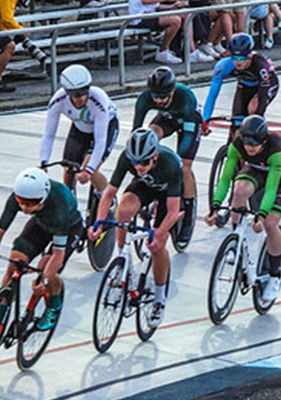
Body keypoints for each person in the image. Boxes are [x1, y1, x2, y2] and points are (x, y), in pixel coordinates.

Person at [90, 128, 185, 328]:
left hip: (168, 193)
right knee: (122, 212)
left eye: (144, 162)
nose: (139, 166)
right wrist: (98, 223)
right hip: (143, 186)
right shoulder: (128, 157)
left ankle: (159, 298)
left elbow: (173, 211)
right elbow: (108, 195)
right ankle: (122, 259)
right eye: (135, 162)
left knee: (158, 246)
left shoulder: (169, 164)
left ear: (155, 156)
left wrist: (159, 233)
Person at [0, 168, 83, 332]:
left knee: (46, 268)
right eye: (21, 201)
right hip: (41, 223)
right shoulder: (17, 197)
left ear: (42, 198)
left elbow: (57, 255)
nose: (24, 207)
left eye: (31, 203)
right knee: (14, 264)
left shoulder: (59, 207)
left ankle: (54, 304)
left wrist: (44, 279)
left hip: (69, 228)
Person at [207, 116, 281, 302]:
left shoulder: (276, 147)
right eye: (247, 144)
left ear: (263, 141)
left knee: (271, 224)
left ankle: (274, 276)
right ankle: (235, 241)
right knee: (239, 191)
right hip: (256, 168)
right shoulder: (237, 144)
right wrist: (215, 206)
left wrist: (262, 216)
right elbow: (225, 179)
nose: (249, 148)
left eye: (254, 146)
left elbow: (271, 189)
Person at [136, 66, 203, 243]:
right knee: (149, 136)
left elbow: (188, 136)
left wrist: (176, 162)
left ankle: (188, 212)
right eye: (155, 96)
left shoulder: (185, 97)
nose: (158, 100)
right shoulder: (145, 98)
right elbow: (136, 132)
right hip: (167, 119)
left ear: (172, 91)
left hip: (189, 122)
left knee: (184, 167)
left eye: (163, 97)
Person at [41, 64, 120, 197]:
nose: (82, 98)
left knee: (90, 168)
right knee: (69, 170)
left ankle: (107, 200)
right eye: (76, 95)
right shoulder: (58, 100)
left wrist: (88, 171)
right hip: (80, 128)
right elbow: (49, 135)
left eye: (85, 92)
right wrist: (44, 162)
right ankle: (71, 205)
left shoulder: (98, 98)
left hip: (106, 127)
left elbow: (100, 140)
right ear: (67, 92)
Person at [203, 34, 280, 134]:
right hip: (245, 85)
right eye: (234, 58)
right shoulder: (222, 66)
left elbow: (263, 95)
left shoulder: (261, 65)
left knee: (253, 110)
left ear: (250, 56)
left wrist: (257, 120)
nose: (238, 62)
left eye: (242, 59)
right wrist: (205, 120)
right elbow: (212, 95)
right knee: (236, 125)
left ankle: (262, 140)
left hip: (267, 85)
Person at [129, 0, 215, 64]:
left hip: (150, 14)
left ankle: (191, 51)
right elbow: (146, 1)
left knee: (186, 14)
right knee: (175, 20)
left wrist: (172, 7)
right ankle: (163, 51)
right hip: (139, 18)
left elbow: (156, 6)